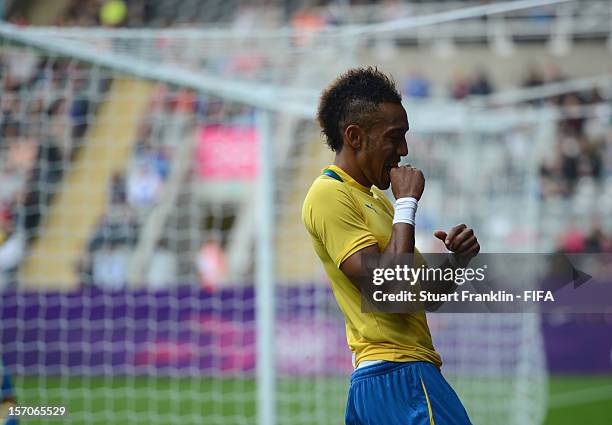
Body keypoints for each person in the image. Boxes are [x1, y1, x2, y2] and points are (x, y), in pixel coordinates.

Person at [302, 67, 480, 424]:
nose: (404, 150)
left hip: (391, 380)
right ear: (355, 136)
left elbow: (425, 297)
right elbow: (388, 292)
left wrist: (456, 261)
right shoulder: (328, 195)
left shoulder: (377, 201)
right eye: (394, 137)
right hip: (398, 378)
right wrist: (407, 204)